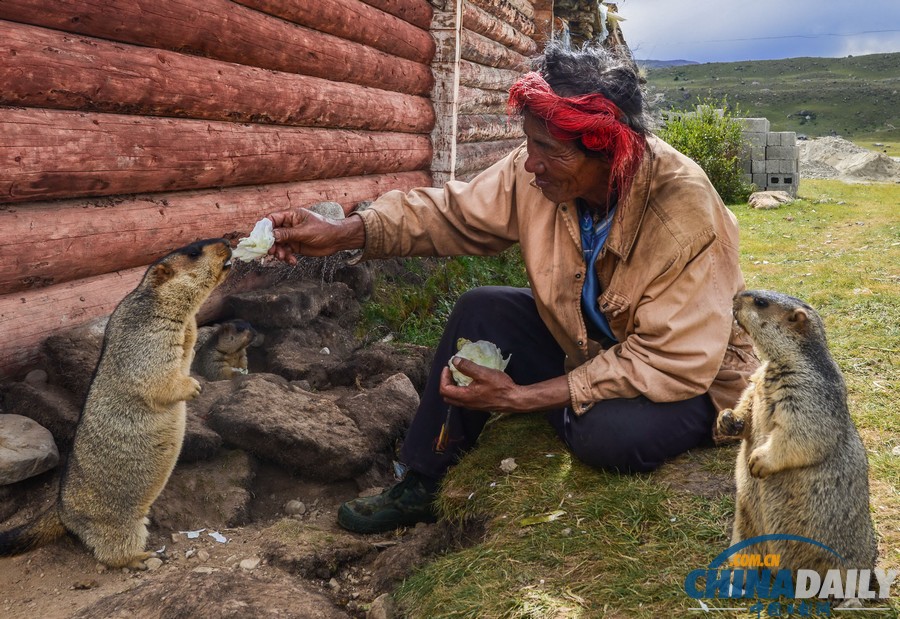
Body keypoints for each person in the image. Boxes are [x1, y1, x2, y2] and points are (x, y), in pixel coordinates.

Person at [266, 40, 759, 534]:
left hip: (694, 377)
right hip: (592, 342)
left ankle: (588, 411)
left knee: (607, 437)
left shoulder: (683, 212)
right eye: (530, 143)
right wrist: (344, 233)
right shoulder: (541, 175)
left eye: (549, 150)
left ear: (607, 148)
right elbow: (451, 215)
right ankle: (424, 478)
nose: (530, 164)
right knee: (481, 309)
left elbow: (671, 360)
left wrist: (522, 398)